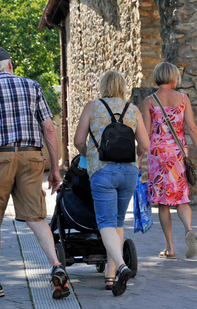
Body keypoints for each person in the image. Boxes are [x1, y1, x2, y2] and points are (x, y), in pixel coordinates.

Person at [0, 47, 70, 299]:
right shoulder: (32, 86)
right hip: (32, 156)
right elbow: (49, 129)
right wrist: (54, 168)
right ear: (10, 65)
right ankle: (56, 266)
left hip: (0, 158)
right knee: (36, 217)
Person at [74, 70, 149, 296]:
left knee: (105, 221)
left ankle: (122, 267)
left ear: (102, 86)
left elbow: (78, 141)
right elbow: (144, 146)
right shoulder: (133, 110)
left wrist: (92, 155)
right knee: (117, 220)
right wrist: (133, 156)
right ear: (122, 87)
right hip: (128, 172)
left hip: (102, 171)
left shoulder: (92, 107)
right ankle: (110, 274)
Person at [141, 62, 197, 260]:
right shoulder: (183, 98)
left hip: (158, 155)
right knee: (181, 198)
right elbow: (192, 129)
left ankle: (170, 248)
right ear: (173, 77)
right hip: (177, 154)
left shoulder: (149, 101)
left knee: (163, 203)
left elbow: (145, 133)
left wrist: (139, 158)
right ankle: (188, 229)